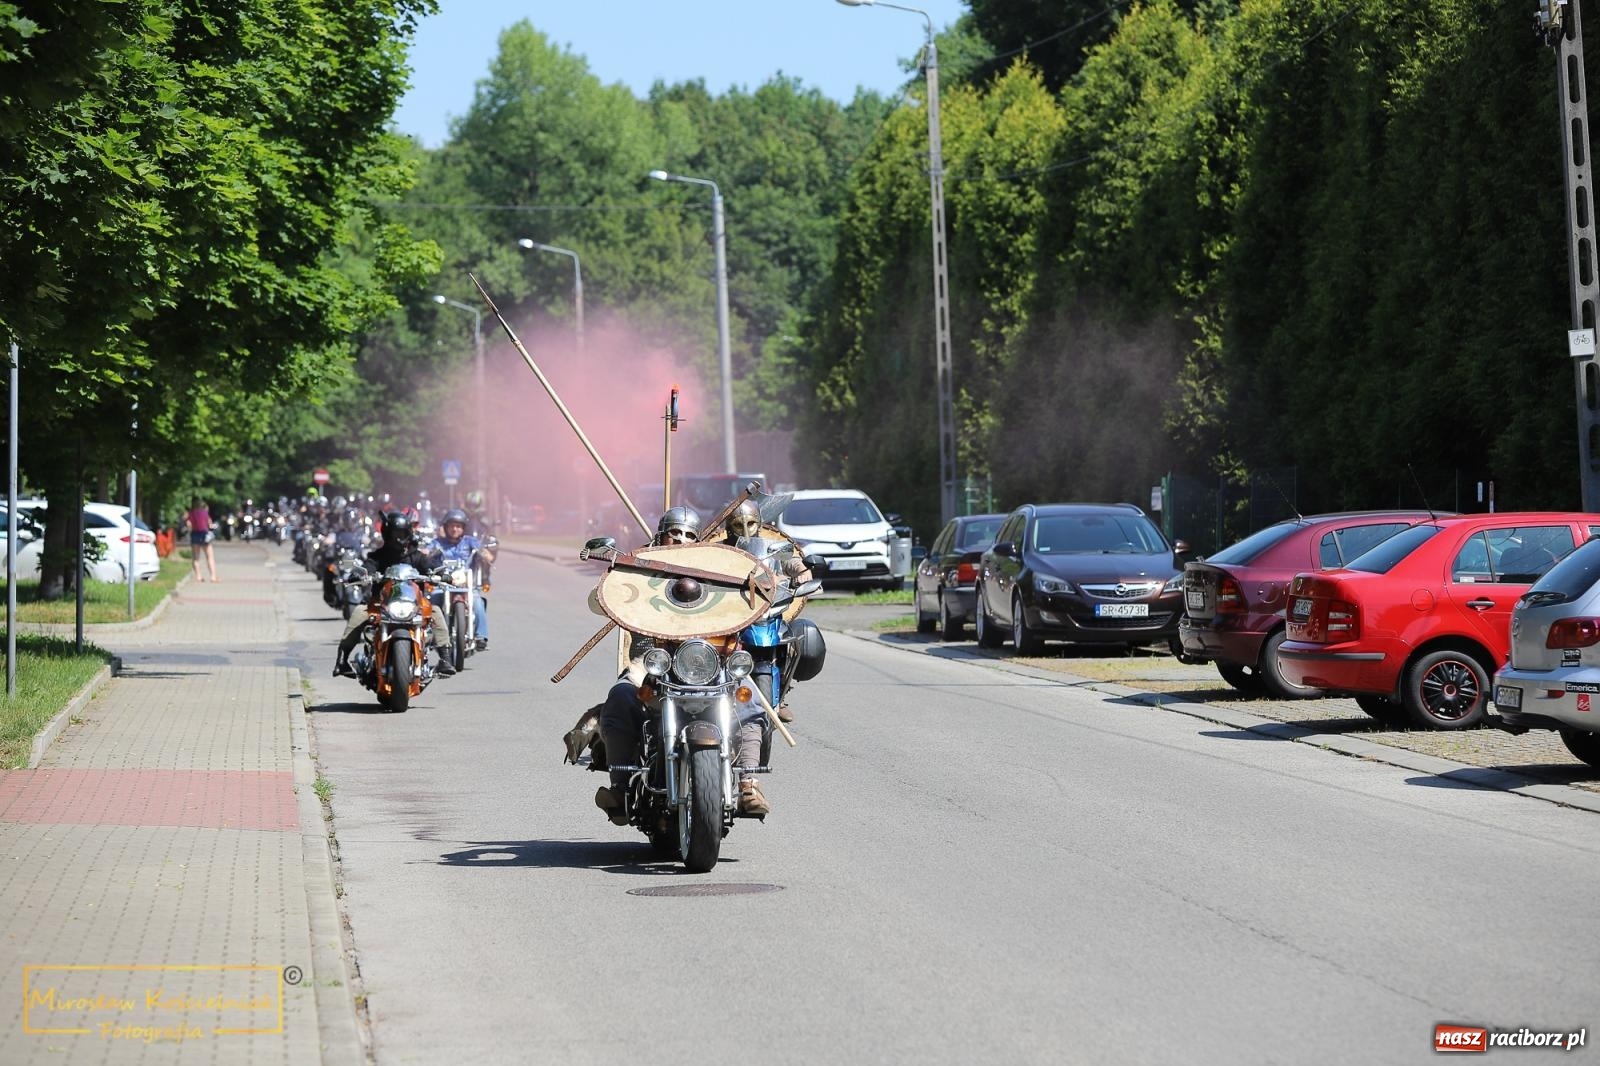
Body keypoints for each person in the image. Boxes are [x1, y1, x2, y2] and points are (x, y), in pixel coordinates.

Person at [573, 505, 773, 824]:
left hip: (707, 658)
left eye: (688, 535)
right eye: (674, 533)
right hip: (651, 660)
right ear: (661, 535)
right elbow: (605, 599)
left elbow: (752, 596)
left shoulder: (716, 569)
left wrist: (755, 586)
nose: (680, 539)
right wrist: (614, 580)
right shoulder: (640, 567)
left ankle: (749, 783)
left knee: (749, 697)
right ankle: (621, 788)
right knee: (621, 695)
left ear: (698, 540)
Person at [333, 510, 453, 678]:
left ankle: (445, 659)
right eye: (394, 533)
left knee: (436, 612)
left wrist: (439, 574)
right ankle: (342, 660)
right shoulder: (379, 556)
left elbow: (430, 566)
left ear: (408, 533)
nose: (398, 537)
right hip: (381, 604)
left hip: (414, 604)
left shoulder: (416, 556)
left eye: (401, 533)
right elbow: (369, 565)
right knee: (359, 612)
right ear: (387, 534)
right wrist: (360, 574)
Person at [425, 508, 495, 650]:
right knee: (432, 603)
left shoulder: (470, 542)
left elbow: (486, 554)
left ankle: (481, 636)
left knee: (478, 602)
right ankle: (430, 634)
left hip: (466, 585)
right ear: (446, 527)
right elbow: (425, 553)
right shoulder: (438, 542)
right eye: (452, 526)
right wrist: (427, 553)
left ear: (463, 528)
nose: (455, 529)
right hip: (443, 585)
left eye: (458, 526)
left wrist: (484, 555)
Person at [186, 497, 219, 582]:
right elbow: (209, 523)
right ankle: (213, 576)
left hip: (195, 534)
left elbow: (188, 524)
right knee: (209, 556)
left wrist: (191, 528)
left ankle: (198, 576)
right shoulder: (204, 513)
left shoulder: (191, 513)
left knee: (196, 557)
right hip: (204, 534)